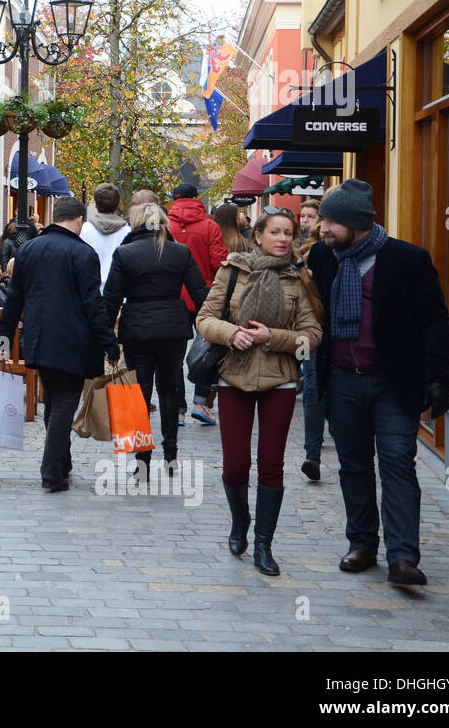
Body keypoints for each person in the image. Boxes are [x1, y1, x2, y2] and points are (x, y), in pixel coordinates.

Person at [307, 179, 449, 586]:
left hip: (393, 382)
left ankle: (404, 556)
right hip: (342, 379)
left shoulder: (407, 259)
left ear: (356, 222)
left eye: (331, 221)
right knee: (353, 465)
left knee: (397, 465)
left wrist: (440, 376)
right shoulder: (324, 257)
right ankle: (362, 544)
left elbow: (435, 321)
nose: (324, 229)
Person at [197, 207, 322, 577]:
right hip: (233, 376)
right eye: (276, 232)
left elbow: (312, 337)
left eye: (289, 233)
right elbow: (205, 318)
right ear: (258, 236)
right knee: (236, 463)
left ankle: (264, 544)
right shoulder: (233, 271)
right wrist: (230, 333)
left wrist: (274, 338)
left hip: (279, 379)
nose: (283, 239)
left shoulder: (300, 278)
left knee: (271, 463)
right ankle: (240, 521)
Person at [0, 196, 120, 492]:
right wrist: (110, 344)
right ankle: (51, 471)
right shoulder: (83, 253)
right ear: (78, 221)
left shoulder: (29, 249)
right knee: (64, 403)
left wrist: (3, 337)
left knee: (53, 401)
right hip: (73, 340)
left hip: (38, 338)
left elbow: (15, 298)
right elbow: (93, 303)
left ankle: (62, 462)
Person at [104, 203, 209, 478]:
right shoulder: (179, 252)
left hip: (137, 327)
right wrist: (211, 327)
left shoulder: (125, 253)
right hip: (173, 327)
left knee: (139, 394)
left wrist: (107, 341)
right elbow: (201, 294)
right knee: (169, 389)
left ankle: (142, 461)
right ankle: (171, 454)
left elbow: (112, 299)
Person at [167, 184, 228, 426]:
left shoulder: (166, 226)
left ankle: (178, 408)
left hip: (174, 298)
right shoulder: (209, 226)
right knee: (210, 349)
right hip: (205, 296)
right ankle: (200, 401)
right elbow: (219, 262)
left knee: (174, 356)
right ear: (196, 198)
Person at [296, 218, 328, 480]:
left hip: (322, 329)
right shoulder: (314, 252)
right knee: (313, 386)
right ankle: (312, 453)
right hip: (313, 328)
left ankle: (314, 452)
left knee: (315, 387)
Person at [80, 182, 130, 292]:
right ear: (117, 205)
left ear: (96, 204)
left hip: (92, 290)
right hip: (119, 291)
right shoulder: (127, 231)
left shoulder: (85, 229)